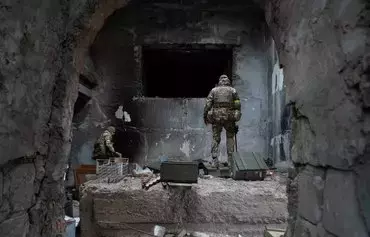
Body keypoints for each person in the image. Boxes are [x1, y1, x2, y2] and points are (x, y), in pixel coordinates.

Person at [203, 75, 241, 169]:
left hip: (216, 117)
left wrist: (205, 116)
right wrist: (236, 116)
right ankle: (230, 162)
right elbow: (237, 105)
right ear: (228, 81)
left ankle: (214, 161)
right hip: (229, 117)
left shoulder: (214, 90)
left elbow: (208, 105)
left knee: (216, 138)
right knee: (230, 138)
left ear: (220, 81)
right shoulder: (233, 90)